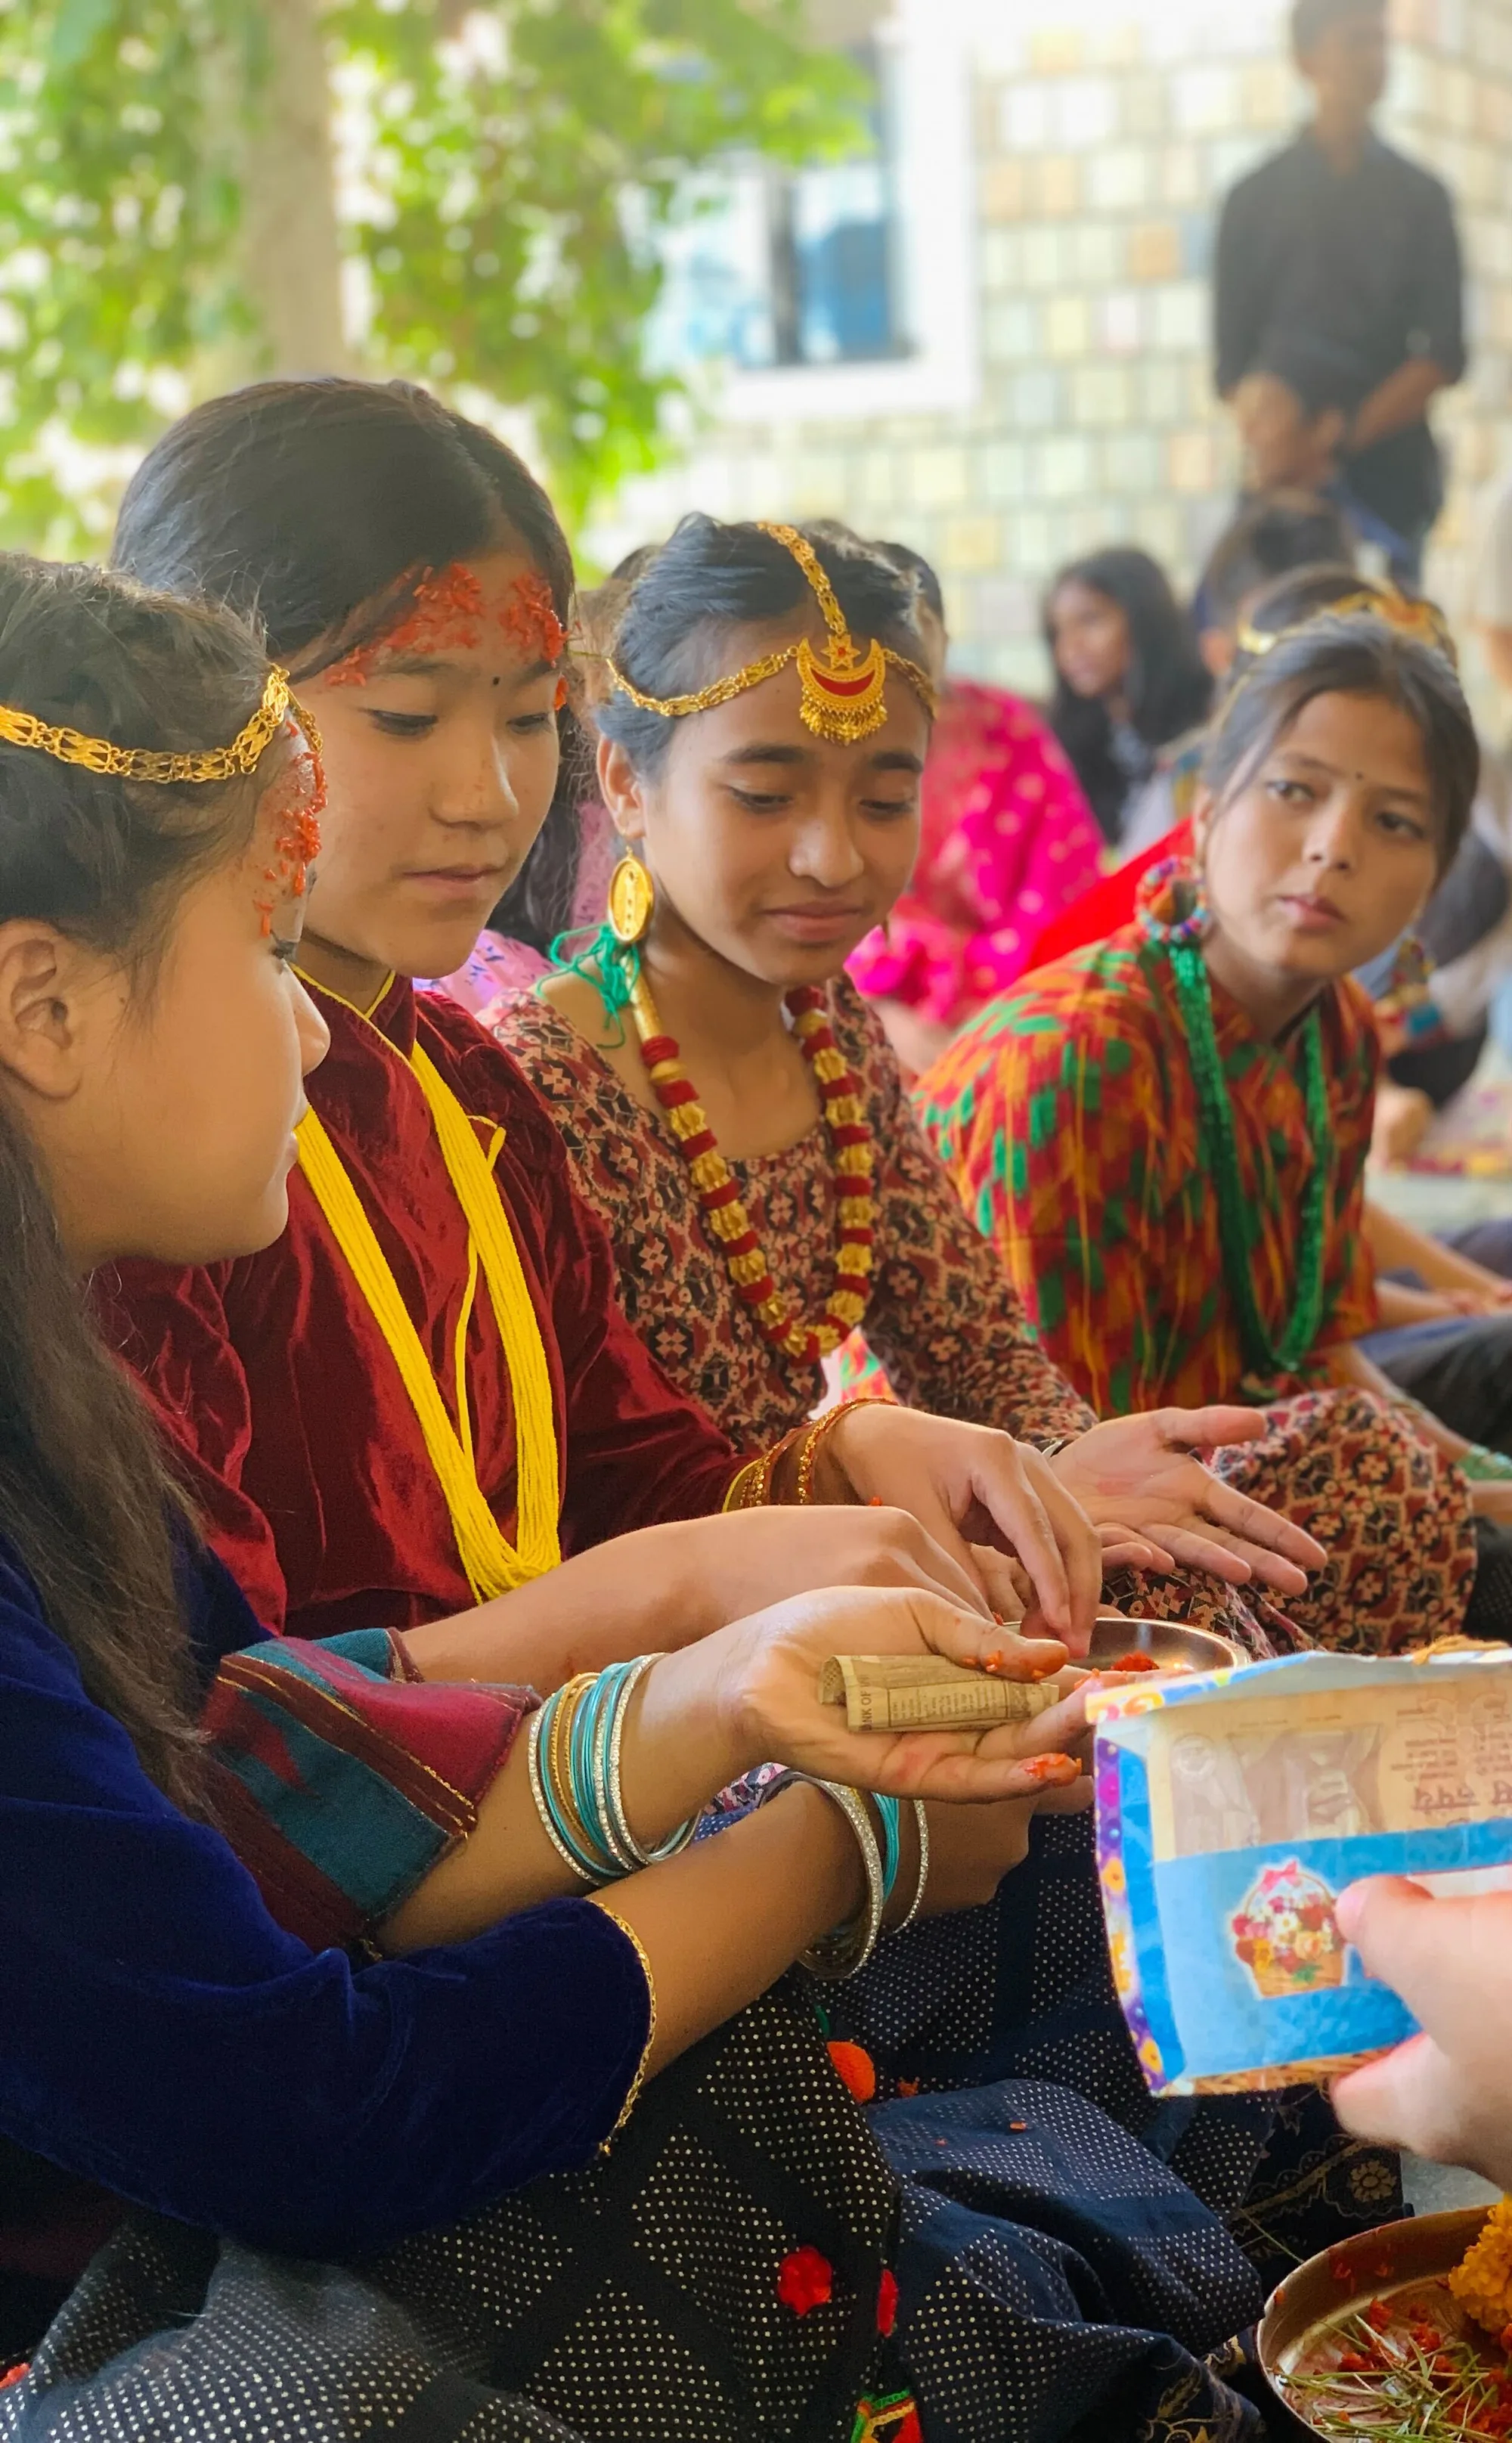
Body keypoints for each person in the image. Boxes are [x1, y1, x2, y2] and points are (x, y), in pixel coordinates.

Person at [0, 550, 1271, 2443]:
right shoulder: (542, 1069)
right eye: (258, 956)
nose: (310, 1027)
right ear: (43, 1007)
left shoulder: (73, 1375)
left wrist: (728, 1686)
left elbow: (261, 1758)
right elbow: (309, 2105)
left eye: (517, 721)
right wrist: (820, 1841)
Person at [103, 377, 1108, 1673]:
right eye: (407, 717)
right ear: (205, 702)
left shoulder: (467, 1085)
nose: (492, 791)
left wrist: (849, 1450)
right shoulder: (149, 1142)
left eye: (530, 717)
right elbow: (227, 1723)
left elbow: (636, 1474)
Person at [919, 604, 1505, 1651]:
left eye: (1396, 822)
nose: (1333, 847)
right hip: (1042, 1537)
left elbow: (1315, 1347)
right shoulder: (1077, 1063)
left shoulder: (1337, 1032)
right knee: (1403, 1496)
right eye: (1294, 790)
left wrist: (1482, 1480)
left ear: (1436, 871)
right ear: (1206, 802)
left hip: (1256, 1462)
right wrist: (1456, 1501)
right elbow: (1062, 1451)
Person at [1213, 0, 1466, 584]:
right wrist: (1286, 444)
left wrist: (1338, 440)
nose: (1375, 59)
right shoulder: (1252, 200)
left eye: (1382, 42)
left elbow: (1444, 353)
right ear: (1306, 59)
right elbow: (1231, 368)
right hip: (1283, 484)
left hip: (1390, 481)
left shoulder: (1421, 197)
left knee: (1387, 653)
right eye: (1356, 41)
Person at [842, 539, 1103, 1078]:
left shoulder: (1008, 731)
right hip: (860, 1025)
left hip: (1020, 1022)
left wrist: (995, 1024)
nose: (895, 653)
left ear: (942, 636)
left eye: (912, 630)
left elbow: (1067, 895)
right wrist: (871, 1016)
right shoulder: (827, 747)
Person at [1120, 494, 1359, 864]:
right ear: (1220, 654)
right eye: (1278, 650)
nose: (1312, 680)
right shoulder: (1184, 788)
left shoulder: (1424, 768)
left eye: (1337, 651)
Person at [1043, 547, 1213, 848]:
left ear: (1144, 618)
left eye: (1090, 620)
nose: (1071, 647)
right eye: (1058, 632)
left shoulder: (1209, 723)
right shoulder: (1068, 747)